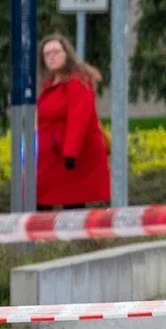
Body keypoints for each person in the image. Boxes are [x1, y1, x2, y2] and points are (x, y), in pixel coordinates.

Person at [35, 35, 112, 210]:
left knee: (72, 204)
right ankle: (42, 237)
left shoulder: (77, 81)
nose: (51, 57)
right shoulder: (50, 85)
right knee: (42, 202)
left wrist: (70, 153)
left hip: (70, 159)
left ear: (66, 54)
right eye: (46, 54)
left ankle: (77, 238)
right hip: (51, 159)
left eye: (55, 52)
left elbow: (79, 119)